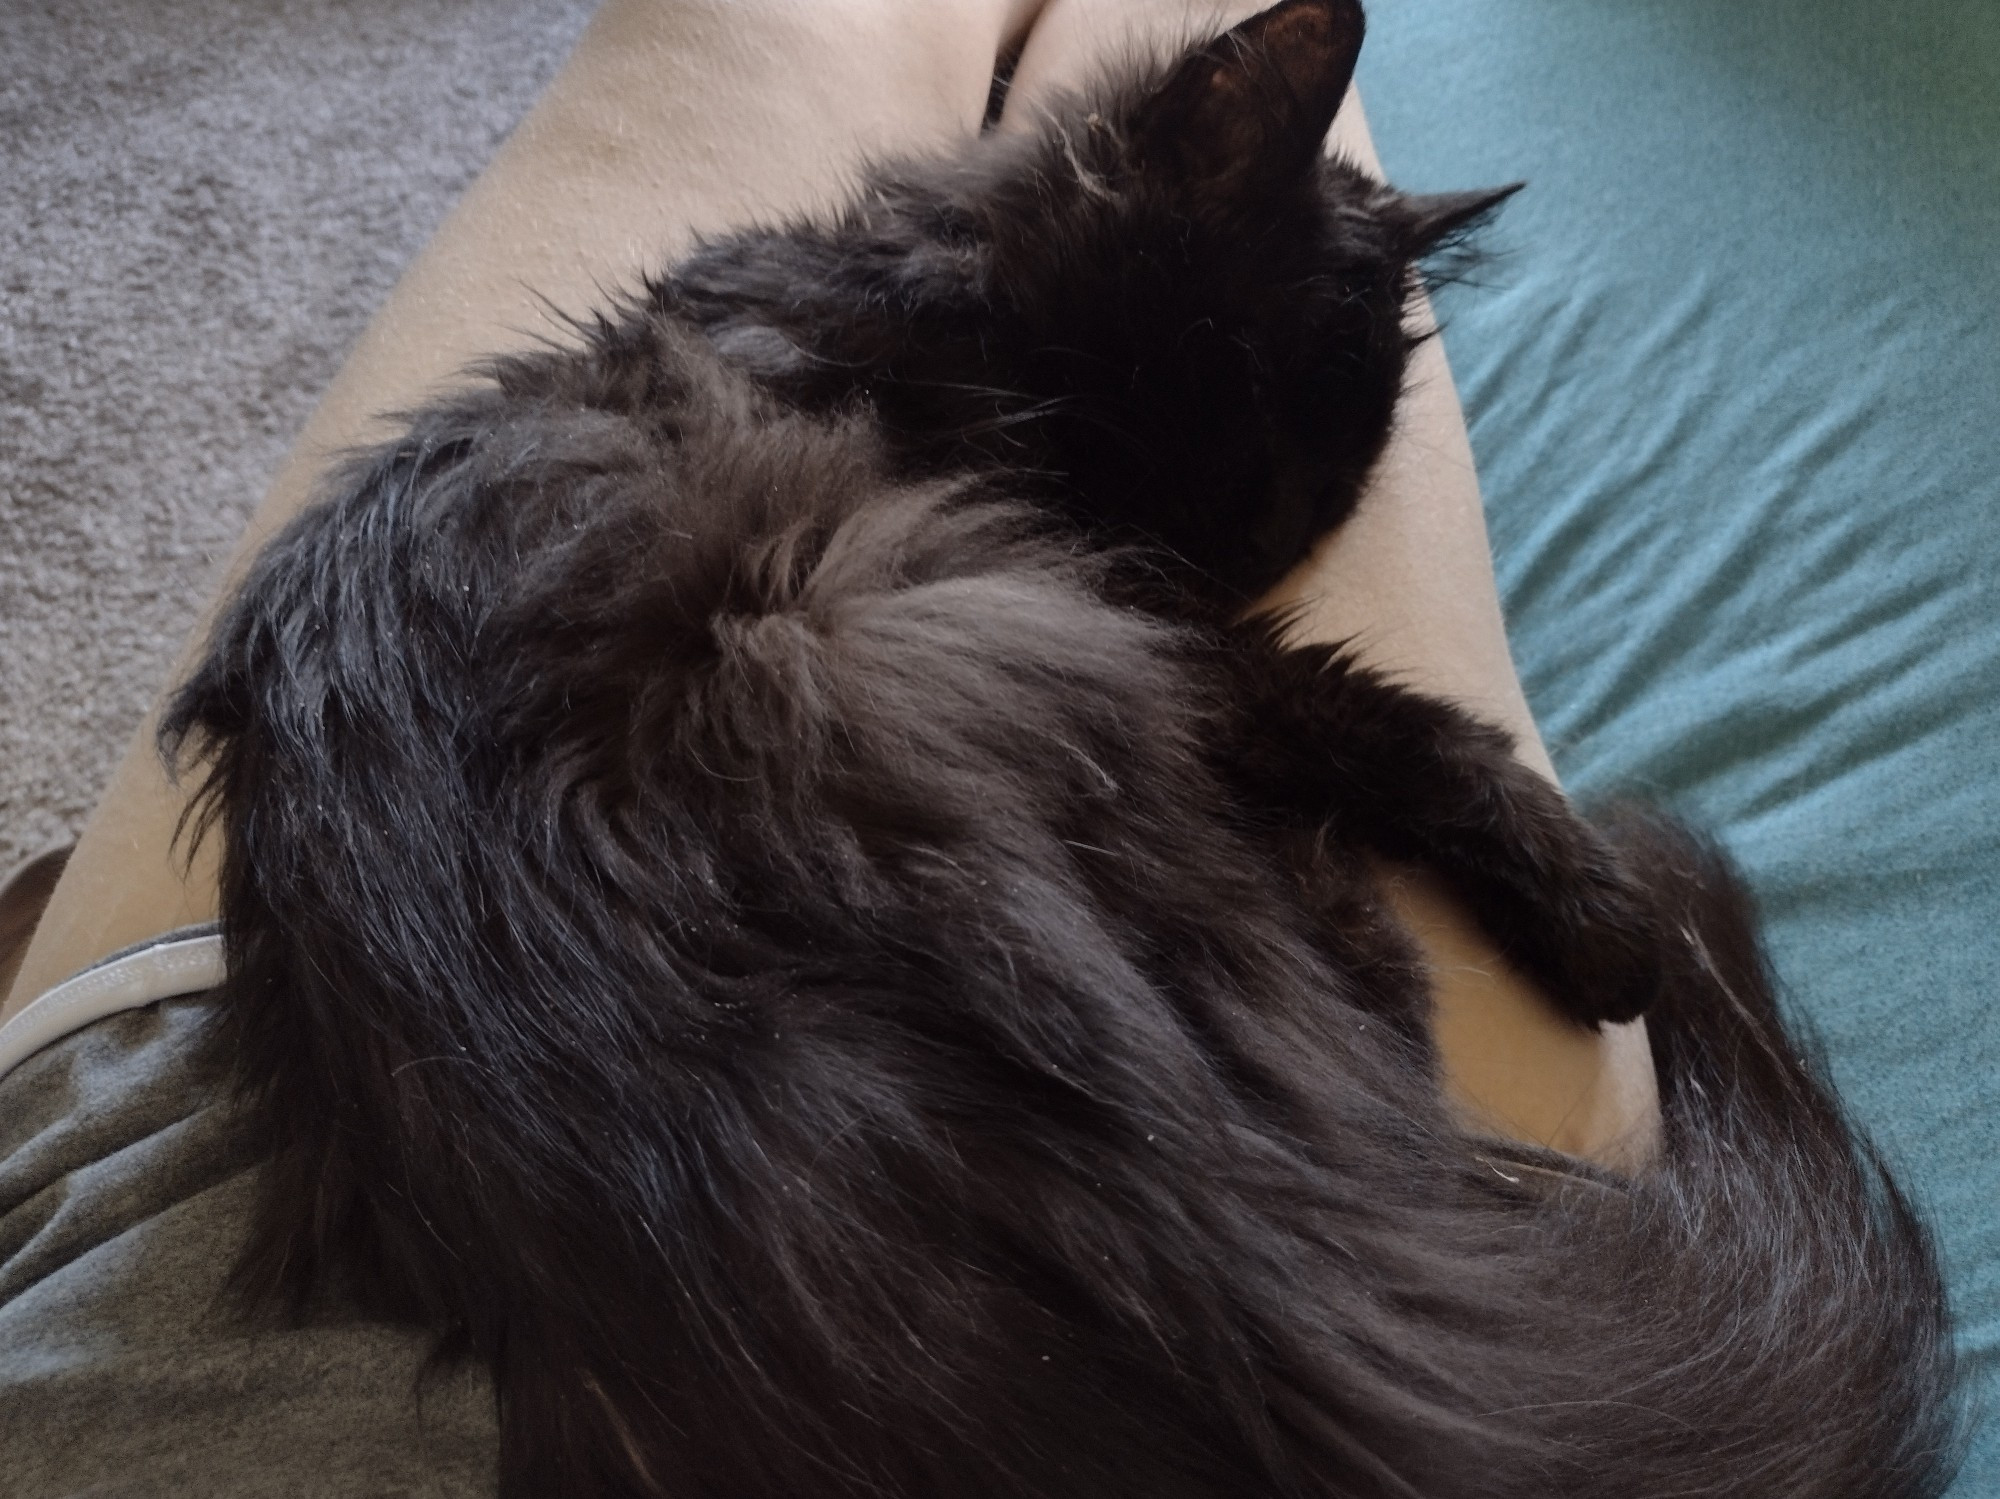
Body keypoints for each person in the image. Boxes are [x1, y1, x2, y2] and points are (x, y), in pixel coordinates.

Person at [0, 14, 1670, 1488]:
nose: (1256, 535)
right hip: (747, 1034)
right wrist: (1446, 795)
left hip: (370, 1006)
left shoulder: (789, 340)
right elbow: (1170, 667)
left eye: (1308, 509)